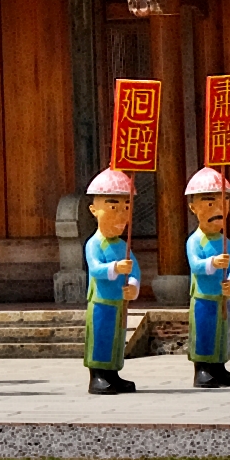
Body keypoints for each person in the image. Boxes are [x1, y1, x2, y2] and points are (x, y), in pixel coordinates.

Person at [184, 166, 230, 389]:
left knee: (222, 333)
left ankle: (219, 367)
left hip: (222, 298)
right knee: (204, 332)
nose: (218, 210)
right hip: (203, 298)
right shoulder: (195, 241)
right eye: (210, 204)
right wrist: (212, 263)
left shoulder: (225, 241)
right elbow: (195, 265)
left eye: (223, 203)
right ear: (193, 208)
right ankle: (202, 369)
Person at [83, 168, 141, 395]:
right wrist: (116, 268)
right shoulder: (94, 243)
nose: (121, 216)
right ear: (94, 210)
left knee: (117, 338)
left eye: (126, 208)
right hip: (101, 302)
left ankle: (113, 373)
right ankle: (98, 375)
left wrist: (133, 285)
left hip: (118, 301)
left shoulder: (121, 245)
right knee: (100, 337)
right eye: (113, 208)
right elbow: (96, 269)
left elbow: (135, 269)